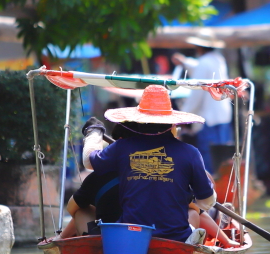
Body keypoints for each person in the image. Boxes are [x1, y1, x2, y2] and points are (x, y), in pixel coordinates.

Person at [81, 85, 217, 243]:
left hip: (131, 237)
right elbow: (206, 202)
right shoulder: (191, 153)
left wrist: (94, 132)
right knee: (194, 217)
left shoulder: (122, 147)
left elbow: (88, 161)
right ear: (173, 125)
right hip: (176, 239)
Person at [171, 37, 233, 169]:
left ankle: (210, 187)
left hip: (209, 118)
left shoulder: (204, 63)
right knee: (222, 156)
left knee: (208, 156)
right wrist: (185, 62)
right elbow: (201, 70)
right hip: (222, 115)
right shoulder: (218, 59)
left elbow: (196, 94)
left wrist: (183, 115)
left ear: (199, 48)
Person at [58, 169, 120, 238]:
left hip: (110, 237)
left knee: (81, 211)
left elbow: (71, 207)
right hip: (132, 232)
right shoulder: (131, 177)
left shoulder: (98, 176)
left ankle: (65, 238)